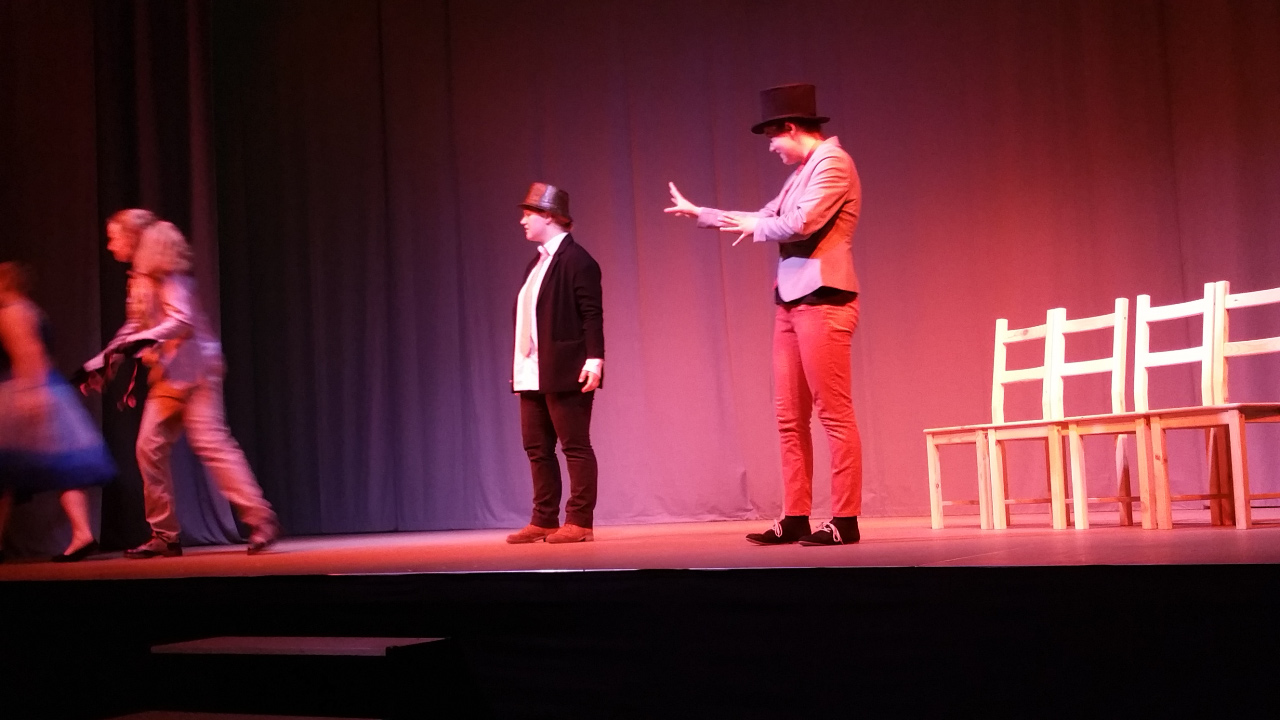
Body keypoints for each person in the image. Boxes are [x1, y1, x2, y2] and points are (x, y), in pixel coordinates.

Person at [666, 83, 863, 545]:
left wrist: (757, 224)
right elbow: (764, 215)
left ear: (790, 128)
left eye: (772, 137)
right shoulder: (800, 174)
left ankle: (845, 520)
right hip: (790, 301)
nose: (771, 147)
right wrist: (702, 213)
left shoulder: (833, 163)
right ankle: (795, 516)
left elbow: (800, 223)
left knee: (833, 413)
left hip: (825, 297)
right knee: (789, 417)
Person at [76, 210, 279, 557]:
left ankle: (261, 520)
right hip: (168, 375)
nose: (110, 245)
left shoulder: (169, 275)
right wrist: (101, 361)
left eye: (114, 237)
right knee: (148, 448)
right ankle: (164, 534)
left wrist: (140, 341)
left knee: (211, 444)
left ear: (134, 237)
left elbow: (181, 320)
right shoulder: (140, 278)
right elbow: (135, 327)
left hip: (196, 372)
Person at [505, 183, 605, 544]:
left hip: (565, 367)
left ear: (548, 216)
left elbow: (592, 315)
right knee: (536, 447)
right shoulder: (537, 263)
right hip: (532, 368)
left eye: (528, 214)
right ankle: (544, 518)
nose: (522, 221)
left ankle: (579, 521)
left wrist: (595, 360)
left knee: (574, 445)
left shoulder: (578, 260)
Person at [0, 261, 116, 562]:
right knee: (58, 468)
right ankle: (82, 533)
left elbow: (29, 353)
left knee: (16, 468)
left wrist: (31, 394)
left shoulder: (12, 312)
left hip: (26, 390)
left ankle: (82, 533)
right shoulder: (31, 309)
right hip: (46, 388)